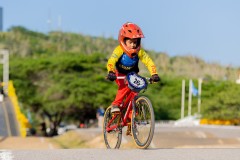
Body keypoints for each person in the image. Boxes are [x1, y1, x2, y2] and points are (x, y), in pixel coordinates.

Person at [106, 22, 160, 113]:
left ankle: (132, 118)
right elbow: (111, 61)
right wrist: (111, 72)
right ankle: (116, 104)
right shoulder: (119, 50)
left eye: (135, 42)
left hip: (132, 74)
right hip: (119, 74)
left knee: (134, 92)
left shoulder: (140, 52)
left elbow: (149, 62)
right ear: (123, 41)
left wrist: (154, 74)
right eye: (130, 42)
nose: (133, 45)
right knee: (124, 87)